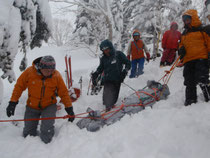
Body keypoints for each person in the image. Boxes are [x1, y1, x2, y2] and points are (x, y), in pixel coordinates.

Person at [6, 55, 75, 143]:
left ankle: (47, 150)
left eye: (51, 70)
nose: (50, 72)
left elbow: (64, 93)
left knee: (46, 133)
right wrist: (12, 102)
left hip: (49, 105)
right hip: (32, 105)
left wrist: (69, 108)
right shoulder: (29, 72)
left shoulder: (56, 75)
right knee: (28, 134)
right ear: (41, 67)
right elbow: (19, 87)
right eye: (47, 70)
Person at [178, 9, 210, 106]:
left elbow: (209, 43)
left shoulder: (202, 30)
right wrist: (181, 50)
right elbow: (181, 45)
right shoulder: (184, 34)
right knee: (189, 81)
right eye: (184, 20)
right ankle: (190, 101)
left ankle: (208, 96)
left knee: (202, 78)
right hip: (188, 60)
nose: (186, 21)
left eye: (188, 19)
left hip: (201, 58)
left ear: (193, 18)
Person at [92, 39, 131, 111]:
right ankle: (107, 110)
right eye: (103, 50)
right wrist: (96, 73)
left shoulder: (118, 54)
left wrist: (124, 72)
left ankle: (111, 111)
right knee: (106, 101)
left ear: (110, 47)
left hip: (117, 79)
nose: (105, 51)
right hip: (107, 80)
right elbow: (101, 68)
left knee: (112, 101)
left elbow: (128, 63)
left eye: (107, 49)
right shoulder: (103, 58)